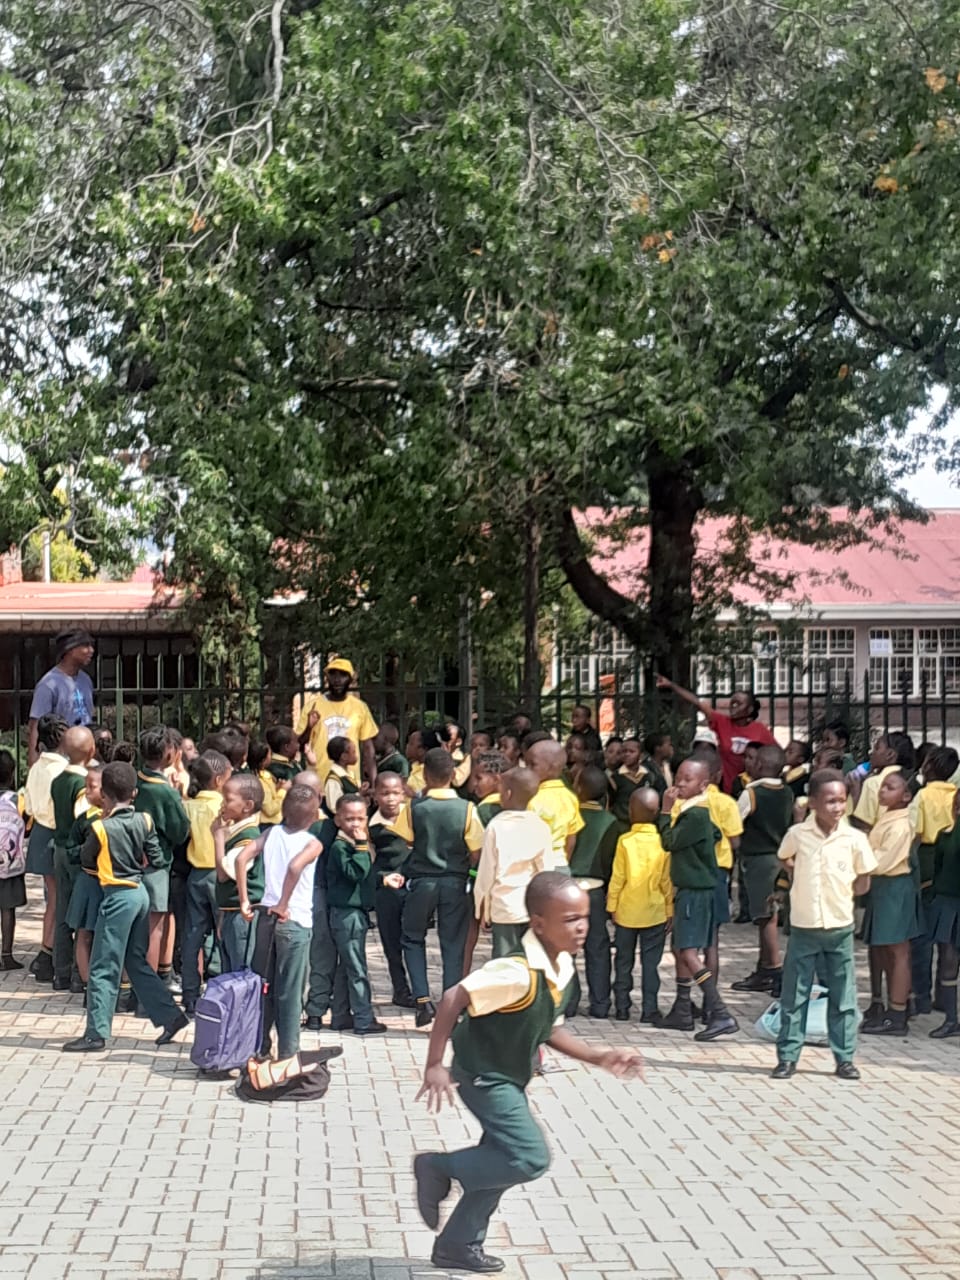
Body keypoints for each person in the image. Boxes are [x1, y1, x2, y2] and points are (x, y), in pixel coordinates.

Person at [412, 872, 644, 1276]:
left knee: (500, 1160)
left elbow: (549, 1028)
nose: (581, 927)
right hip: (483, 1077)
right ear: (538, 924)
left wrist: (600, 1056)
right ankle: (438, 1167)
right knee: (529, 1158)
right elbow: (452, 998)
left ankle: (457, 1245)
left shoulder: (561, 966)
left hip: (508, 1076)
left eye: (584, 917)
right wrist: (434, 1064)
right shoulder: (515, 971)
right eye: (570, 919)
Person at [62, 762, 190, 1053]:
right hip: (140, 893)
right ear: (134, 793)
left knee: (103, 965)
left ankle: (96, 1033)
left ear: (104, 795)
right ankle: (170, 1016)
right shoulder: (145, 820)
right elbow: (158, 858)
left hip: (117, 895)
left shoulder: (100, 828)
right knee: (135, 961)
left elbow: (84, 859)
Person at [771, 769, 876, 1080]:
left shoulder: (855, 839)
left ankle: (844, 1058)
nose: (837, 807)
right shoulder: (798, 834)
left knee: (843, 996)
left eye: (842, 800)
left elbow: (864, 880)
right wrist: (798, 877)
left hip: (839, 927)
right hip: (804, 926)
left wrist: (844, 894)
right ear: (813, 802)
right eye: (830, 801)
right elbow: (785, 857)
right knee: (795, 994)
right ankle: (787, 1057)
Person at [390, 747, 485, 1030]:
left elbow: (407, 841)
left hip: (421, 882)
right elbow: (476, 851)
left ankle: (421, 1000)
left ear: (426, 776)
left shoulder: (414, 808)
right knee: (453, 945)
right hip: (455, 883)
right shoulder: (467, 809)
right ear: (453, 775)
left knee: (412, 938)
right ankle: (450, 1009)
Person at [239, 784, 323, 1059]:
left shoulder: (271, 833)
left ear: (283, 811)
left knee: (265, 985)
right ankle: (288, 1053)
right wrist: (284, 903)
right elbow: (296, 866)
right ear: (315, 816)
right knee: (290, 991)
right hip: (294, 920)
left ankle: (259, 1048)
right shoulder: (313, 843)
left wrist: (244, 899)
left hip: (266, 917)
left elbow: (242, 858)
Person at [657, 758, 738, 1040]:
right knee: (681, 947)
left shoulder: (695, 815)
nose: (680, 783)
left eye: (687, 780)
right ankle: (682, 1009)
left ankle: (719, 1012)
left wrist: (665, 811)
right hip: (696, 890)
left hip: (694, 891)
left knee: (689, 952)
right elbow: (715, 834)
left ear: (703, 785)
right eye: (678, 777)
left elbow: (669, 841)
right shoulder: (697, 813)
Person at [326, 793, 393, 1036]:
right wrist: (363, 845)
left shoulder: (351, 845)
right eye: (349, 819)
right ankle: (364, 1019)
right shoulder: (341, 847)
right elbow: (356, 872)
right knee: (356, 968)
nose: (356, 824)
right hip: (347, 915)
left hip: (354, 913)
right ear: (338, 820)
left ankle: (340, 1015)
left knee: (346, 966)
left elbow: (363, 877)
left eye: (360, 819)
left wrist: (383, 879)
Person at [860, 770, 920, 1037]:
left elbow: (881, 862)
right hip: (883, 888)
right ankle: (892, 1006)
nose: (882, 790)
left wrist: (856, 860)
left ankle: (897, 1014)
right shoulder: (888, 817)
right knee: (886, 949)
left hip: (894, 888)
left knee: (898, 951)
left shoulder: (901, 825)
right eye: (882, 785)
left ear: (906, 796)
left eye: (890, 787)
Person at [732, 744, 795, 997]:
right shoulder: (787, 792)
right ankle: (764, 966)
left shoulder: (751, 793)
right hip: (780, 856)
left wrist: (735, 847)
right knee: (769, 914)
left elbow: (734, 822)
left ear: (758, 765)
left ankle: (774, 970)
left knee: (765, 916)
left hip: (758, 859)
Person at [473, 768, 555, 958]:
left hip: (504, 907)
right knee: (531, 959)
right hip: (531, 907)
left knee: (504, 961)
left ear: (508, 794)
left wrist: (483, 909)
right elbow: (546, 872)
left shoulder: (496, 826)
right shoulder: (540, 826)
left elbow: (486, 873)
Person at [608, 787, 673, 1024]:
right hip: (654, 912)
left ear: (630, 811)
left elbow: (618, 877)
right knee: (651, 964)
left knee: (623, 961)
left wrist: (612, 905)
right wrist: (670, 910)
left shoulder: (624, 841)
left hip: (626, 911)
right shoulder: (663, 843)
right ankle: (649, 1009)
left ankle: (622, 1007)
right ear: (656, 813)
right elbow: (666, 881)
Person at [686, 744, 744, 994]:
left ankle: (684, 995)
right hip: (717, 872)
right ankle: (711, 998)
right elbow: (735, 841)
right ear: (719, 775)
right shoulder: (726, 803)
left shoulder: (686, 802)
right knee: (712, 940)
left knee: (687, 941)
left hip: (689, 872)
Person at [655, 675, 776, 793]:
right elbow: (697, 702)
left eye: (738, 704)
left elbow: (777, 756)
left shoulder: (760, 730)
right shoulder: (722, 722)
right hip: (725, 788)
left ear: (750, 709)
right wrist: (671, 685)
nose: (733, 706)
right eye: (732, 703)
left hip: (751, 789)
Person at [134, 726, 190, 980]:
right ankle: (151, 985)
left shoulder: (135, 780)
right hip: (156, 864)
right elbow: (180, 831)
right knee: (154, 927)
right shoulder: (166, 792)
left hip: (130, 859)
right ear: (169, 754)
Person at [180, 750, 232, 1014]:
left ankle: (189, 993)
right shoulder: (223, 807)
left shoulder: (187, 806)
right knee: (224, 934)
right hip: (219, 874)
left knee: (193, 934)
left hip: (196, 874)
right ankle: (223, 988)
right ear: (220, 780)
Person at [567, 766, 620, 1017]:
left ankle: (568, 1002)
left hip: (568, 888)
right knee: (597, 947)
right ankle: (600, 1003)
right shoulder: (611, 822)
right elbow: (611, 863)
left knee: (566, 946)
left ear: (578, 789)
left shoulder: (571, 816)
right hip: (596, 890)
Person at [911, 745, 958, 1014]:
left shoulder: (923, 795)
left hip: (927, 860)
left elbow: (915, 832)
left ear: (927, 766)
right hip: (951, 862)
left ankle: (921, 996)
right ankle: (944, 994)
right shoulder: (955, 794)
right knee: (948, 935)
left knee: (922, 934)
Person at [23, 713, 69, 982]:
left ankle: (47, 952)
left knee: (52, 896)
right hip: (56, 832)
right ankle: (48, 953)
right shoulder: (63, 769)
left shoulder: (36, 767)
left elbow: (29, 807)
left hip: (40, 832)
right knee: (57, 898)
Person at [50, 725, 96, 989]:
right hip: (76, 852)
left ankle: (61, 972)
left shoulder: (58, 779)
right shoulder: (83, 785)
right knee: (81, 914)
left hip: (58, 848)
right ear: (92, 751)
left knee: (62, 910)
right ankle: (80, 974)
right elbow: (85, 820)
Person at [296, 656, 378, 789]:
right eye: (333, 674)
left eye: (343, 675)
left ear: (350, 679)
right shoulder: (313, 706)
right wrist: (309, 727)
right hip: (319, 782)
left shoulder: (359, 707)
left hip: (350, 782)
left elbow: (368, 748)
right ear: (327, 678)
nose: (337, 679)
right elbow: (299, 746)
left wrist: (374, 785)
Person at [369, 772, 415, 1008]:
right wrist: (382, 878)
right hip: (386, 890)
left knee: (413, 941)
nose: (391, 798)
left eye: (396, 793)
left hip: (414, 888)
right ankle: (401, 989)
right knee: (391, 942)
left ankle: (420, 990)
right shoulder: (370, 825)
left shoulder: (413, 816)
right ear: (375, 795)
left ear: (403, 793)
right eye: (385, 793)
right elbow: (368, 862)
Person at [213, 772, 265, 972]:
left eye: (228, 800)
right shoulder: (237, 831)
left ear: (247, 805)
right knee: (230, 969)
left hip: (242, 916)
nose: (223, 804)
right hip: (230, 912)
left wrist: (218, 839)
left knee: (241, 971)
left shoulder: (248, 837)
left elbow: (223, 874)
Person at [27, 629, 96, 766]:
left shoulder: (86, 680)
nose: (91, 650)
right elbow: (36, 724)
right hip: (61, 759)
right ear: (70, 650)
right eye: (85, 646)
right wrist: (33, 762)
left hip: (86, 756)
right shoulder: (48, 684)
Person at [64, 764, 104, 989]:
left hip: (109, 884)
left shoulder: (116, 818)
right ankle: (87, 983)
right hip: (88, 882)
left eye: (92, 787)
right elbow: (70, 852)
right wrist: (87, 849)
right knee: (84, 933)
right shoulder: (83, 821)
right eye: (86, 786)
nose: (87, 791)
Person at [925, 791, 960, 1039]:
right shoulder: (945, 835)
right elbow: (938, 870)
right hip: (947, 904)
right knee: (947, 960)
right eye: (956, 803)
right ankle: (951, 1019)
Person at [527, 739, 584, 864]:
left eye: (533, 765)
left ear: (552, 767)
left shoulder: (532, 798)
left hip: (537, 865)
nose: (527, 769)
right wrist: (564, 863)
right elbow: (571, 838)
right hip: (560, 861)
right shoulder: (570, 797)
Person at [851, 732, 916, 832]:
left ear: (890, 755)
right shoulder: (912, 781)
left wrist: (855, 793)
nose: (871, 752)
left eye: (877, 748)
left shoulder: (873, 783)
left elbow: (862, 826)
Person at [0, 749, 27, 970]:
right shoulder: (18, 800)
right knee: (8, 908)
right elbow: (27, 827)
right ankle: (7, 955)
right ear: (11, 775)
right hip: (10, 863)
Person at [609, 737, 649, 826]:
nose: (627, 754)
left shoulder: (650, 776)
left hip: (645, 824)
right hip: (622, 824)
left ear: (641, 755)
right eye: (624, 751)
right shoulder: (615, 778)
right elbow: (610, 803)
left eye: (631, 751)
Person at [248, 740, 284, 827]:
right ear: (263, 760)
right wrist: (283, 791)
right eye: (270, 755)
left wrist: (276, 789)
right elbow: (270, 810)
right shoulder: (259, 782)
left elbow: (268, 796)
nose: (271, 757)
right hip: (267, 825)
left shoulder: (264, 774)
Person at [322, 736, 361, 815]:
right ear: (344, 757)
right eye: (353, 752)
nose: (356, 755)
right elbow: (334, 807)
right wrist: (359, 795)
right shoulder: (334, 780)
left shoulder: (349, 774)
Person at [640, 733, 674, 799]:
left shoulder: (667, 766)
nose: (671, 748)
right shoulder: (646, 769)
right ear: (658, 748)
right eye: (669, 745)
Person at [406, 729, 427, 796]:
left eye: (411, 743)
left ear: (421, 750)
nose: (407, 746)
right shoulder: (415, 765)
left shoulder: (426, 772)